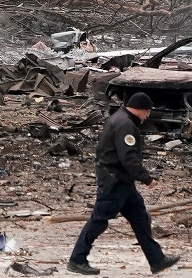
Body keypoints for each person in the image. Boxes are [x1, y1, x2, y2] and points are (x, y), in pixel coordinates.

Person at [68, 92, 180, 275]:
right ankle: (77, 259)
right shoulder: (126, 125)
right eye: (147, 111)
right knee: (99, 220)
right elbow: (128, 157)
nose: (148, 116)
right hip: (115, 182)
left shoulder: (120, 118)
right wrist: (146, 178)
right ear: (140, 109)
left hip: (122, 182)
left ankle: (157, 260)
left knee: (140, 218)